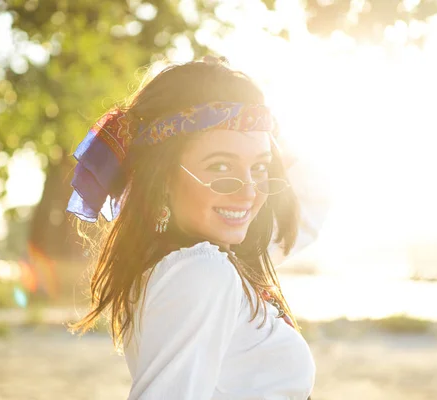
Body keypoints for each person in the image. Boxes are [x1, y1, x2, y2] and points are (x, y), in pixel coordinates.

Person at [66, 56, 323, 400]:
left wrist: (259, 119)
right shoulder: (202, 273)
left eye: (260, 168)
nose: (249, 191)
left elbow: (312, 204)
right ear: (163, 179)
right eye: (220, 166)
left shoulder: (202, 262)